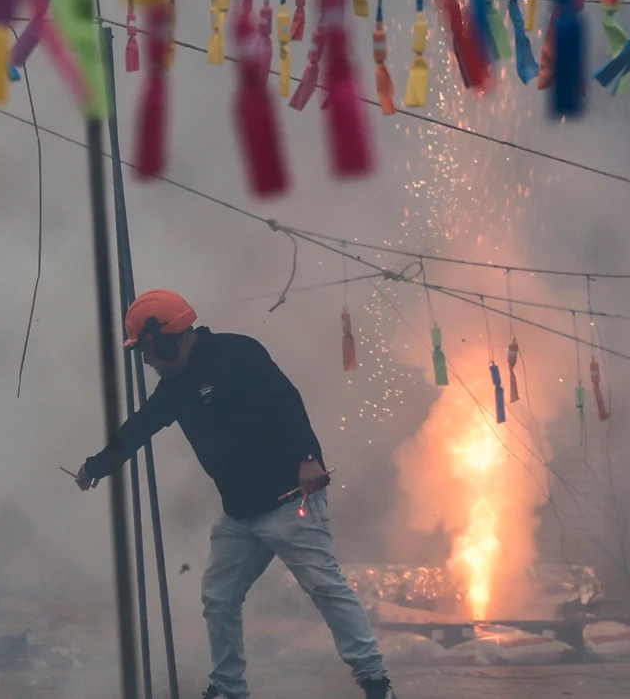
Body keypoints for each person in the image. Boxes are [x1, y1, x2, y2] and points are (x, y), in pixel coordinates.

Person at [72, 289, 393, 699]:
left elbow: (287, 401)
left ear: (168, 338)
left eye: (148, 351)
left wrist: (309, 456)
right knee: (219, 597)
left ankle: (375, 683)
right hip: (239, 516)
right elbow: (139, 428)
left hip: (290, 500)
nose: (148, 362)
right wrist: (95, 467)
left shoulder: (238, 354)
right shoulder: (175, 388)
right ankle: (228, 687)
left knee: (326, 589)